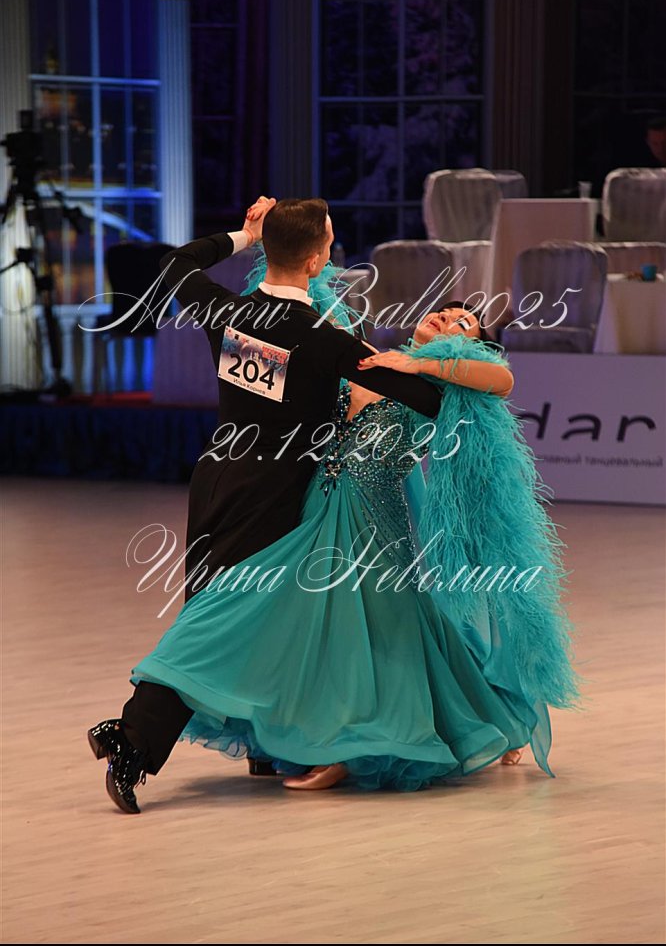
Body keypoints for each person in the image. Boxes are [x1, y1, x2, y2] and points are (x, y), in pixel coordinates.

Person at [129, 301, 578, 794]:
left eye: (461, 324)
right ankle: (276, 730)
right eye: (444, 311)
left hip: (371, 523)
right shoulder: (367, 357)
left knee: (361, 637)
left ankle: (348, 749)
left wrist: (420, 365)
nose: (445, 319)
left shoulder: (444, 386)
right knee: (281, 616)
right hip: (312, 507)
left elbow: (503, 381)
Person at [88, 197, 445, 813]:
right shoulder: (325, 339)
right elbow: (427, 399)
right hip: (277, 492)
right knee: (222, 619)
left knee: (234, 613)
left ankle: (260, 742)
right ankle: (132, 739)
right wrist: (440, 360)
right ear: (316, 262)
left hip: (216, 480)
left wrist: (242, 235)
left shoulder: (225, 309)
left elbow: (174, 263)